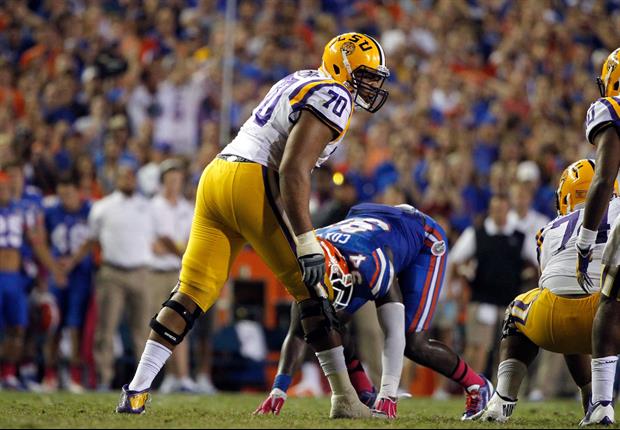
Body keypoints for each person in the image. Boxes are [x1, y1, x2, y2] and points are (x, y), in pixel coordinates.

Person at [117, 32, 390, 419]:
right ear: (341, 67)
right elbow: (293, 170)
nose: (373, 84)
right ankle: (346, 398)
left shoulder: (299, 78)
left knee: (192, 290)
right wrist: (307, 240)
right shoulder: (336, 95)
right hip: (252, 180)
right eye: (366, 74)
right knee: (315, 291)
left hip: (216, 176)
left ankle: (136, 391)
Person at [254, 203, 493, 420]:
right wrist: (279, 390)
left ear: (343, 274)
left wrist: (389, 394)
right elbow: (298, 333)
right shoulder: (311, 259)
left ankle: (477, 385)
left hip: (420, 239)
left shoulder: (372, 264)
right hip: (368, 226)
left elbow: (394, 331)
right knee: (326, 323)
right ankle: (365, 393)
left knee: (413, 341)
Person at [476, 160, 614, 422]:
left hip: (553, 320)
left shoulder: (550, 228)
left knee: (518, 308)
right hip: (608, 319)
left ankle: (502, 399)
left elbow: (553, 284)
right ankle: (596, 400)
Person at [576, 47, 620, 426]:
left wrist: (586, 240)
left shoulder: (611, 107)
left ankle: (602, 403)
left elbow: (603, 178)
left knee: (611, 301)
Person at [450, 194, 535, 376]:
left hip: (511, 302)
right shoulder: (477, 233)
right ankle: (472, 386)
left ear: (508, 210)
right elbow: (456, 261)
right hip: (483, 299)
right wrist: (461, 282)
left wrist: (529, 280)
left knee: (507, 349)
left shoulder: (519, 236)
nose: (499, 214)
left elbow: (536, 263)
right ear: (490, 211)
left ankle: (502, 391)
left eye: (502, 210)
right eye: (495, 210)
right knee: (478, 347)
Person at [88, 163, 155, 390]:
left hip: (141, 272)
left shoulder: (147, 207)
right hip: (112, 272)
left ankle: (141, 384)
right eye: (123, 176)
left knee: (143, 331)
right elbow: (94, 240)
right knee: (105, 329)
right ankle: (103, 378)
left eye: (131, 176)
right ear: (115, 179)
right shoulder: (102, 207)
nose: (128, 180)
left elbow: (155, 239)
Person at [0, 171, 65, 389]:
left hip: (14, 278)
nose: (4, 191)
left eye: (6, 187)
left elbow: (36, 245)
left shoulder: (22, 214)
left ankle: (8, 375)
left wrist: (53, 268)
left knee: (17, 327)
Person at [42, 174, 94, 393]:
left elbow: (93, 240)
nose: (66, 199)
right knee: (54, 324)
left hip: (80, 275)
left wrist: (73, 262)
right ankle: (50, 375)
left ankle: (75, 375)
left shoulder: (90, 210)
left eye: (69, 194)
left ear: (78, 192)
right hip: (57, 275)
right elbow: (41, 241)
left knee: (75, 326)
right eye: (61, 195)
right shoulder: (50, 211)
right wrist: (53, 269)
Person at [148, 159, 196, 393]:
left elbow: (189, 240)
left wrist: (175, 248)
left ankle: (183, 376)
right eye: (170, 179)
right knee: (160, 325)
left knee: (180, 324)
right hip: (157, 272)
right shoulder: (154, 206)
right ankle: (167, 377)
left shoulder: (188, 208)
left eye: (177, 179)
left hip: (180, 272)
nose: (174, 183)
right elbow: (159, 240)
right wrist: (180, 250)